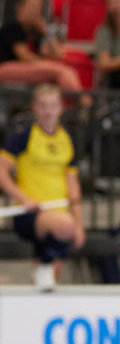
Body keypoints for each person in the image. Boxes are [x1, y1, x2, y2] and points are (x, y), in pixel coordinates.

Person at [0, 83, 84, 291]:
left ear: (60, 108)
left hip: (59, 215)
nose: (48, 111)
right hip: (30, 213)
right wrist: (25, 198)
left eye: (53, 106)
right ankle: (45, 266)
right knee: (64, 226)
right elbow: (2, 172)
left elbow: (72, 183)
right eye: (43, 106)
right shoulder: (23, 135)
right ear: (35, 108)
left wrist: (79, 223)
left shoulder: (67, 138)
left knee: (45, 284)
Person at [0, 0, 84, 93]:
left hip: (28, 69)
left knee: (61, 72)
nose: (36, 12)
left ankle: (66, 106)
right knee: (61, 71)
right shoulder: (12, 27)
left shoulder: (35, 31)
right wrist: (48, 65)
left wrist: (47, 32)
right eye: (32, 7)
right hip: (6, 68)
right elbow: (25, 57)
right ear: (20, 8)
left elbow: (58, 55)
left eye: (38, 8)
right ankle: (83, 104)